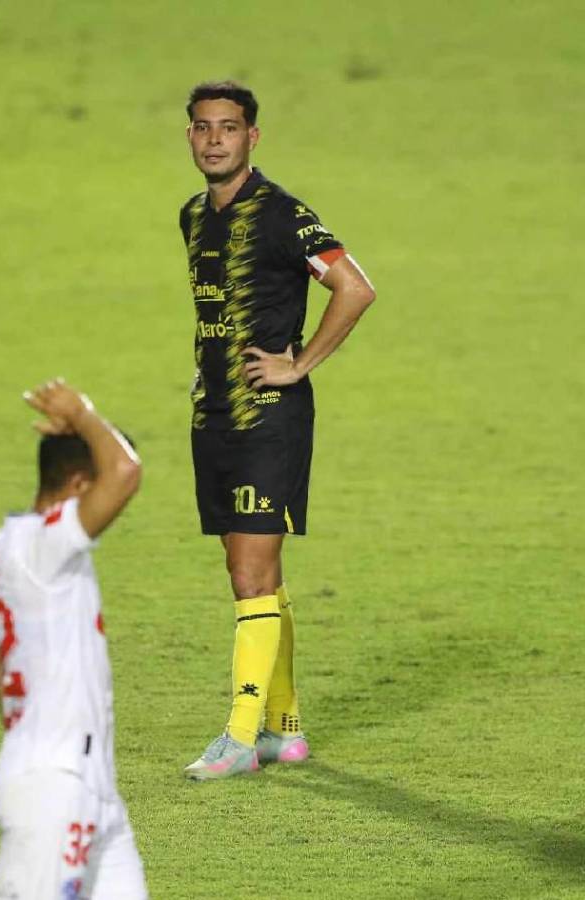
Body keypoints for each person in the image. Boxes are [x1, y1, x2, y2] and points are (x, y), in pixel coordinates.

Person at [178, 81, 376, 780]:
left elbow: (355, 287)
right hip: (215, 419)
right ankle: (283, 729)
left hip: (270, 420)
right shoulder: (192, 216)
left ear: (252, 137)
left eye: (227, 128)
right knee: (258, 573)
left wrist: (299, 364)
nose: (214, 140)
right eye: (202, 128)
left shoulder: (283, 216)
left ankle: (238, 737)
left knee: (248, 575)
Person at [0, 379, 148, 898]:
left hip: (90, 787)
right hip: (53, 787)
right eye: (93, 494)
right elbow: (125, 473)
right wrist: (83, 413)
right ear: (77, 484)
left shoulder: (14, 550)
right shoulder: (41, 549)